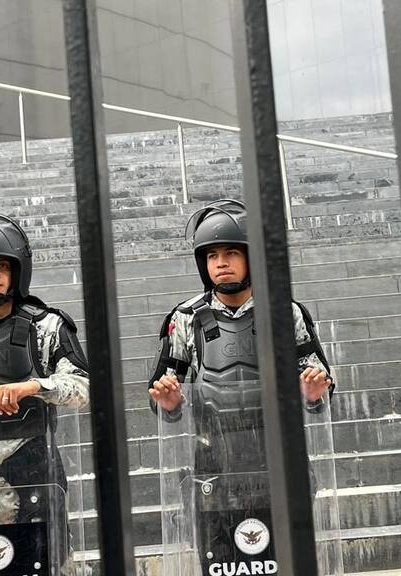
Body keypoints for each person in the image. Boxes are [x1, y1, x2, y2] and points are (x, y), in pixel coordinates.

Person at [148, 199, 334, 571]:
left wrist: (315, 393)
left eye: (231, 252)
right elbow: (163, 391)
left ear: (251, 257)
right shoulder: (186, 319)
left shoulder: (285, 312)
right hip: (215, 462)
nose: (221, 262)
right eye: (212, 255)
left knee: (286, 562)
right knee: (221, 564)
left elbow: (319, 381)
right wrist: (168, 401)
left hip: (278, 459)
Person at [0, 214, 89, 575]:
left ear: (17, 271)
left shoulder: (47, 325)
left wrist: (34, 387)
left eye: (1, 265)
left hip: (34, 468)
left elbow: (85, 386)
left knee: (47, 564)